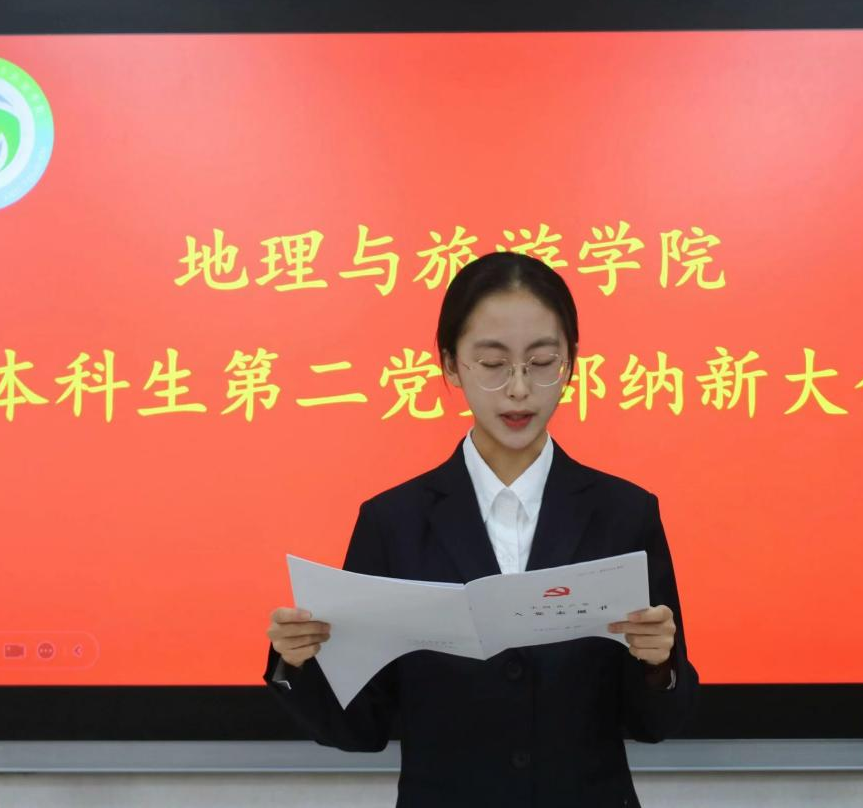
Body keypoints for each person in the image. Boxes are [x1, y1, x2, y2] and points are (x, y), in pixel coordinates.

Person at [264, 251, 698, 808]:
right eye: (493, 364)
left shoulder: (624, 513)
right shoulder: (392, 522)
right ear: (451, 365)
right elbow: (361, 727)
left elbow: (656, 722)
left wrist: (659, 665)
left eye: (542, 361)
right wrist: (297, 661)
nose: (519, 388)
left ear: (571, 362)